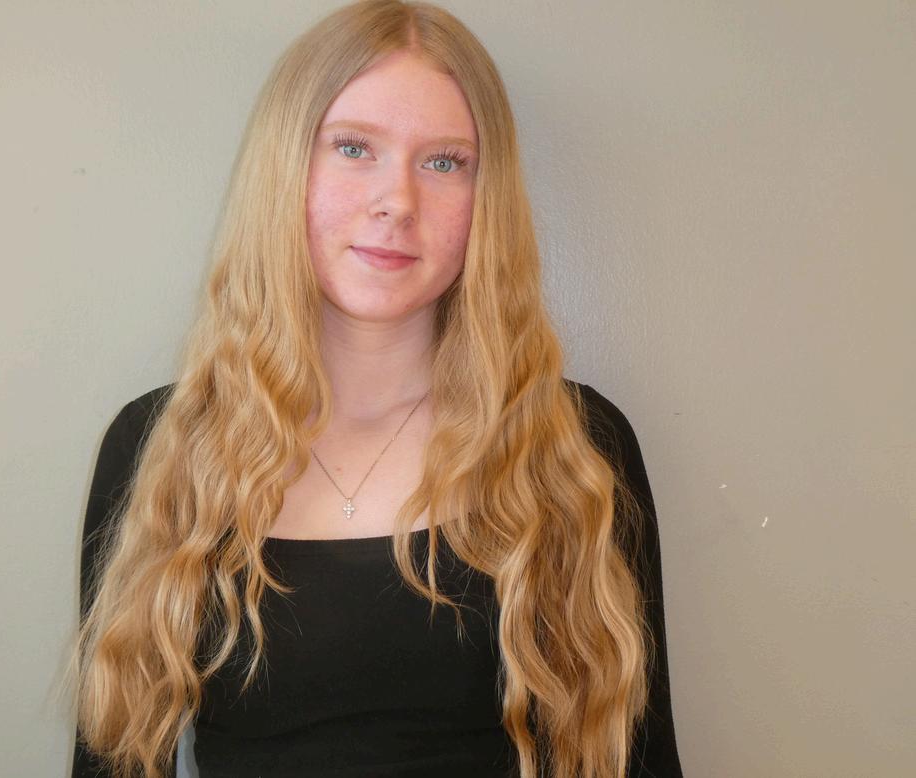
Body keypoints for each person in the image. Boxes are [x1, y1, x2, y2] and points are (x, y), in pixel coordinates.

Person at [63, 1, 683, 776]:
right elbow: (110, 760)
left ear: (485, 197)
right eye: (353, 148)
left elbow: (638, 758)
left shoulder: (574, 445)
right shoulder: (159, 446)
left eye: (444, 162)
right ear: (285, 168)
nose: (397, 201)